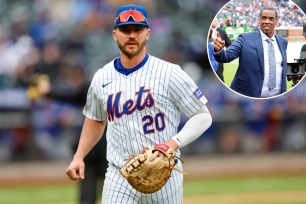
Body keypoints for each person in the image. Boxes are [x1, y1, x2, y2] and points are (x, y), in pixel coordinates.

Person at [66, 4, 212, 204]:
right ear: (115, 34)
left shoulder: (169, 73)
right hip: (119, 175)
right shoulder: (101, 77)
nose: (131, 35)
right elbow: (95, 119)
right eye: (125, 30)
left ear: (148, 33)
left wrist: (172, 143)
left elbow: (202, 115)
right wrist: (78, 156)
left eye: (137, 29)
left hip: (164, 174)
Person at [214, 7, 288, 98]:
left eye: (271, 19)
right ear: (259, 20)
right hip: (248, 95)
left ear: (276, 21)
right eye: (264, 18)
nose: (267, 21)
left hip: (277, 97)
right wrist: (219, 50)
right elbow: (226, 56)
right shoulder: (245, 38)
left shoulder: (282, 42)